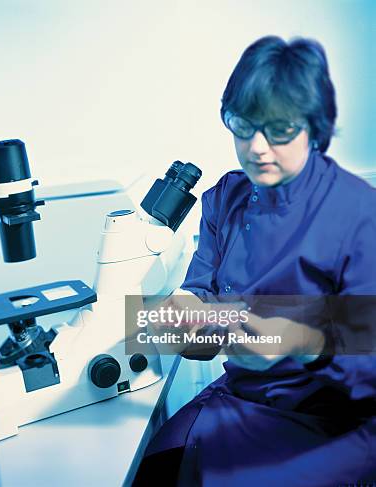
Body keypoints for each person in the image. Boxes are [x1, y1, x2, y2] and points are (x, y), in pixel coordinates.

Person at [133, 36, 376, 486]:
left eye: (278, 129)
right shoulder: (226, 197)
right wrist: (181, 313)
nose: (257, 147)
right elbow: (200, 303)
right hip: (240, 395)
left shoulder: (360, 214)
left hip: (333, 421)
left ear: (314, 128)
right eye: (243, 125)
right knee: (153, 470)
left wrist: (304, 342)